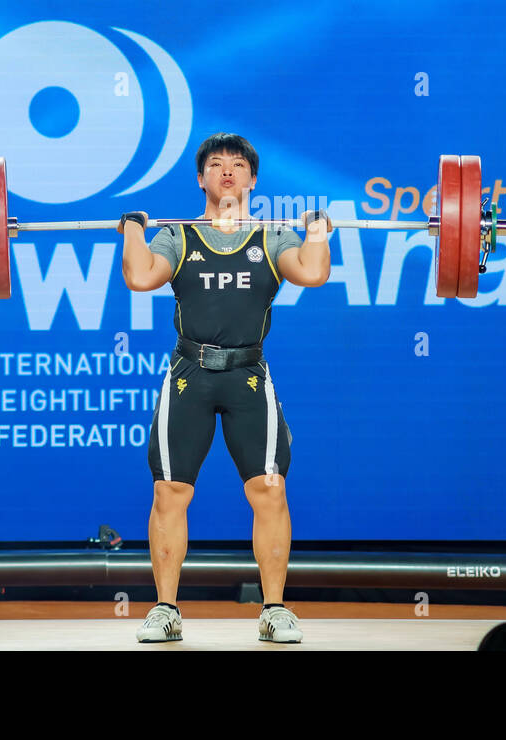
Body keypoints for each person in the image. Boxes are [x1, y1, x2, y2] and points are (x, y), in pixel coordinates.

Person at [119, 132, 332, 644]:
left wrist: (319, 233)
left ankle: (275, 609)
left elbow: (312, 272)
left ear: (253, 179)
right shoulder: (178, 236)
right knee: (170, 491)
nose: (228, 172)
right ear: (202, 178)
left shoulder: (272, 237)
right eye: (216, 164)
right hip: (189, 373)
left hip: (248, 376)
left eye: (237, 165)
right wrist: (131, 230)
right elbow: (140, 278)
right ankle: (165, 609)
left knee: (269, 489)